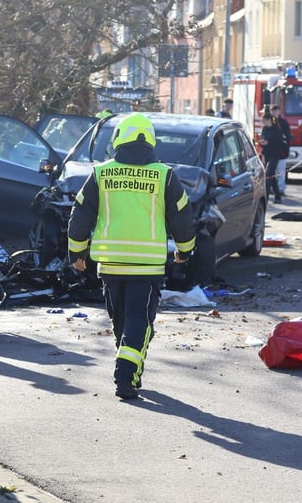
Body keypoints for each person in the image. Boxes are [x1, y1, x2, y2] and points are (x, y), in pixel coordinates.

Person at [66, 113, 195, 401]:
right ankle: (126, 374)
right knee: (139, 321)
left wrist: (77, 253)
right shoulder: (164, 175)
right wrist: (185, 252)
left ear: (119, 139)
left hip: (110, 265)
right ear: (150, 140)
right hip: (146, 266)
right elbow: (182, 219)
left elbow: (80, 215)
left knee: (121, 321)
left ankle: (127, 367)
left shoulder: (101, 173)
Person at [260, 108, 287, 204]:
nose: (263, 122)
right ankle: (278, 196)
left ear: (269, 120)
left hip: (274, 155)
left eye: (264, 121)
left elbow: (279, 143)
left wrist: (268, 142)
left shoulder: (276, 130)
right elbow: (263, 138)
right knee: (271, 176)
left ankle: (266, 197)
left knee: (268, 176)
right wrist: (262, 143)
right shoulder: (264, 129)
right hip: (266, 154)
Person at [271, 105, 292, 195]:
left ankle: (281, 188)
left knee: (281, 170)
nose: (275, 112)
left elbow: (288, 136)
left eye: (276, 110)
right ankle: (273, 187)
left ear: (279, 111)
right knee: (273, 171)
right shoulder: (269, 122)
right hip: (272, 151)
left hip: (282, 151)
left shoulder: (283, 122)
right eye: (273, 110)